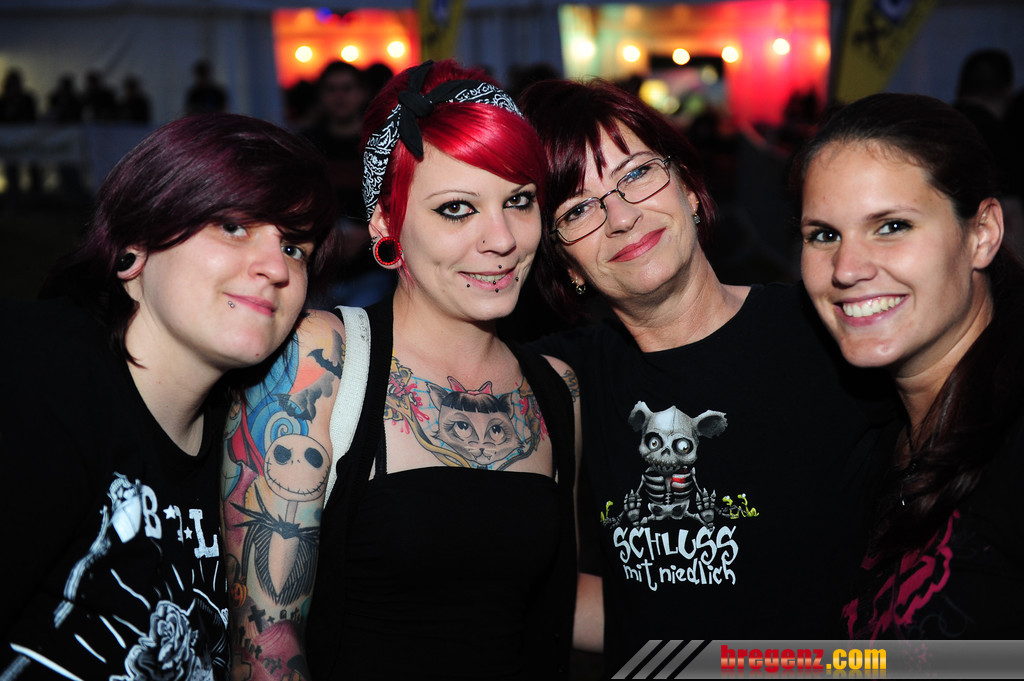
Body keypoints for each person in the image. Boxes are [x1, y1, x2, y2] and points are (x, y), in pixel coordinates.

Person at [516, 79, 894, 672]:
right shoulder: (563, 379)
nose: (621, 217)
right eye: (578, 209)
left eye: (638, 173)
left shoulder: (828, 330)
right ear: (565, 265)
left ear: (690, 187)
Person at [222, 59, 581, 681]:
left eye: (518, 201)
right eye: (457, 209)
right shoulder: (319, 362)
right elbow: (265, 649)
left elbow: (559, 606)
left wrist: (757, 656)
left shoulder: (557, 388)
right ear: (386, 221)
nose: (501, 239)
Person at [0, 113, 336, 679]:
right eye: (234, 226)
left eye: (295, 247)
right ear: (134, 246)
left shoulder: (249, 442)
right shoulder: (34, 371)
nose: (276, 268)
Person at [793, 92, 1024, 639]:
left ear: (982, 233)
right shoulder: (861, 434)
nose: (846, 269)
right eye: (824, 235)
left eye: (892, 226)